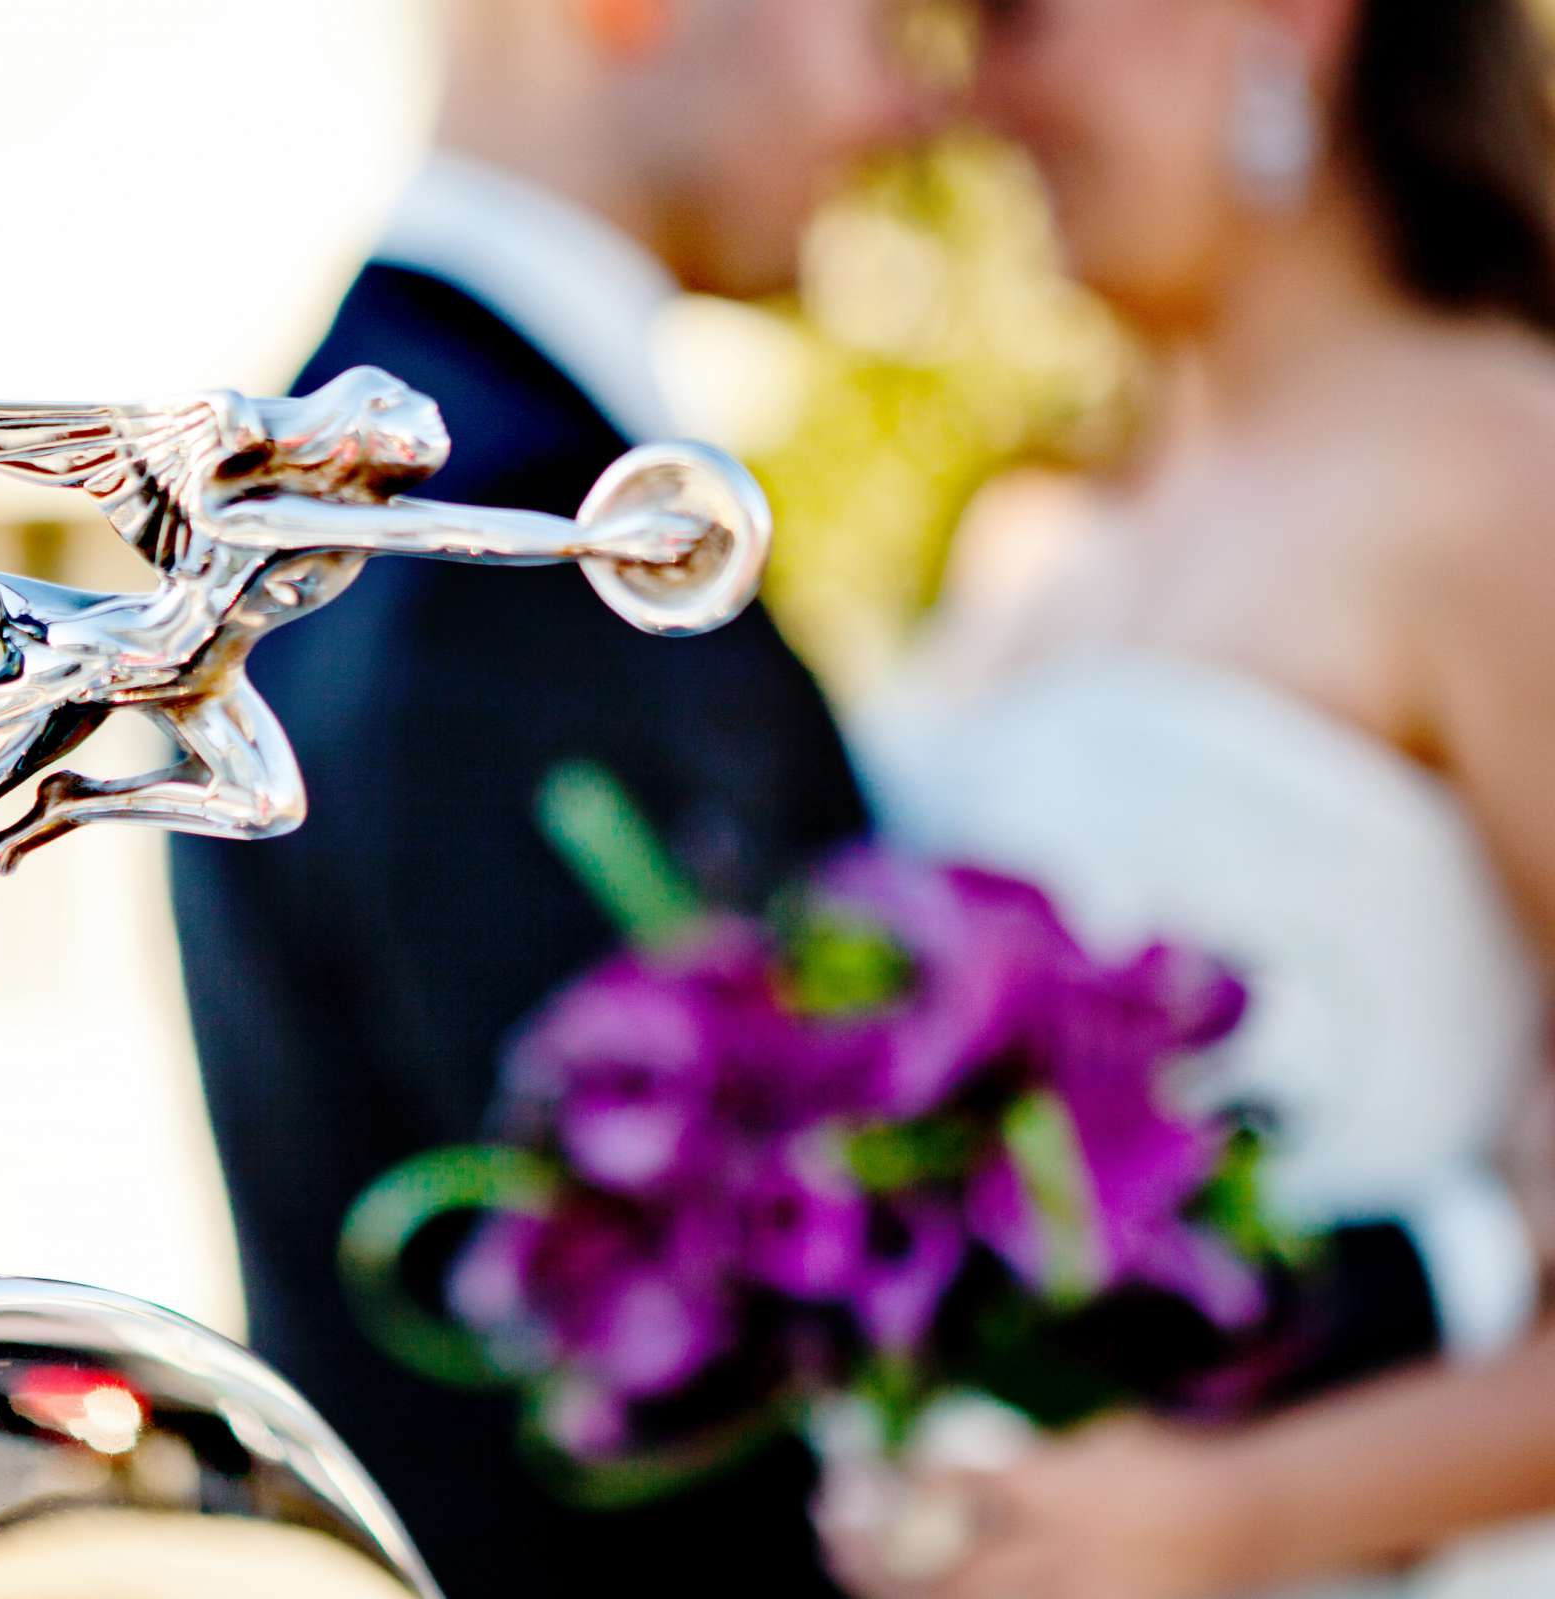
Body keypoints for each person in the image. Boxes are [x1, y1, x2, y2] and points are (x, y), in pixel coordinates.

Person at [169, 3, 922, 1594]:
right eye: (876, 20)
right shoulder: (503, 558)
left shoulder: (358, 478)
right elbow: (675, 1330)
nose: (905, 108)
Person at [825, 1, 1555, 1595]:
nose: (974, 100)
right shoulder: (1029, 532)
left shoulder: (1504, 477)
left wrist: (1240, 1520)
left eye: (1022, 19)